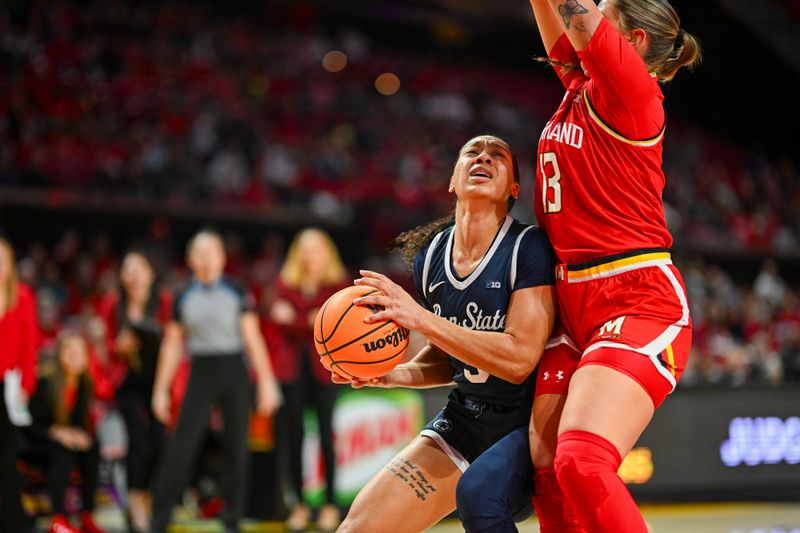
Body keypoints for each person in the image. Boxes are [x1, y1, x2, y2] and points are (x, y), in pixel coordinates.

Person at [334, 135, 576, 533]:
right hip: (463, 421)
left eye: (497, 156)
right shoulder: (432, 256)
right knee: (357, 529)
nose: (483, 157)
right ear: (452, 180)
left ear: (513, 190)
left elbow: (518, 360)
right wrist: (391, 374)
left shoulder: (526, 247)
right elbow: (449, 358)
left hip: (524, 424)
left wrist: (421, 319)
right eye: (472, 152)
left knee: (479, 499)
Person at [525, 1, 702, 531]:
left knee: (581, 460)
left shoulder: (633, 93)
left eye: (603, 16)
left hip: (636, 297)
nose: (589, 22)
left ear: (635, 43)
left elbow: (570, 10)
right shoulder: (582, 86)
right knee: (548, 469)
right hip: (573, 300)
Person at [149, 230, 281, 533]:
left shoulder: (236, 289)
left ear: (222, 257)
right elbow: (171, 345)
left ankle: (231, 519)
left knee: (236, 446)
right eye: (200, 251)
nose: (207, 256)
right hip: (201, 369)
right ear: (191, 259)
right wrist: (160, 390)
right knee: (181, 446)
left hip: (234, 367)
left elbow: (253, 339)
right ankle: (158, 521)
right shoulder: (182, 294)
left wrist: (267, 382)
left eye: (212, 251)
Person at [267, 228, 348, 532]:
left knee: (327, 437)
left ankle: (329, 504)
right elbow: (280, 322)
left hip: (325, 370)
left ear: (327, 252)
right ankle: (299, 504)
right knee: (293, 438)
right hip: (292, 371)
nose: (309, 254)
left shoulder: (337, 285)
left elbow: (332, 324)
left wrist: (296, 321)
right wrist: (309, 320)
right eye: (304, 248)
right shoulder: (284, 284)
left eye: (315, 248)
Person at [100, 251, 171, 533]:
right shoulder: (113, 305)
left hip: (159, 381)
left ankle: (150, 495)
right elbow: (106, 348)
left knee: (160, 440)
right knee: (138, 441)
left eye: (139, 269)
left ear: (151, 274)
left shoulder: (164, 302)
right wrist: (119, 347)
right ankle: (135, 500)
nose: (134, 275)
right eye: (128, 270)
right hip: (127, 380)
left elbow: (176, 339)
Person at [24, 331, 105, 533]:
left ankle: (86, 514)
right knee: (62, 451)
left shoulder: (85, 384)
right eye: (68, 349)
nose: (73, 355)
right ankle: (58, 518)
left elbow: (78, 423)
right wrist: (56, 432)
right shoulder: (45, 381)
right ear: (59, 353)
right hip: (37, 442)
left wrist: (79, 435)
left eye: (79, 351)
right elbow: (28, 425)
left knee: (92, 448)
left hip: (64, 440)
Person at [0, 236, 38, 533]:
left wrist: (26, 385)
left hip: (9, 388)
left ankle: (13, 521)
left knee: (8, 457)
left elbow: (30, 347)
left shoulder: (23, 297)